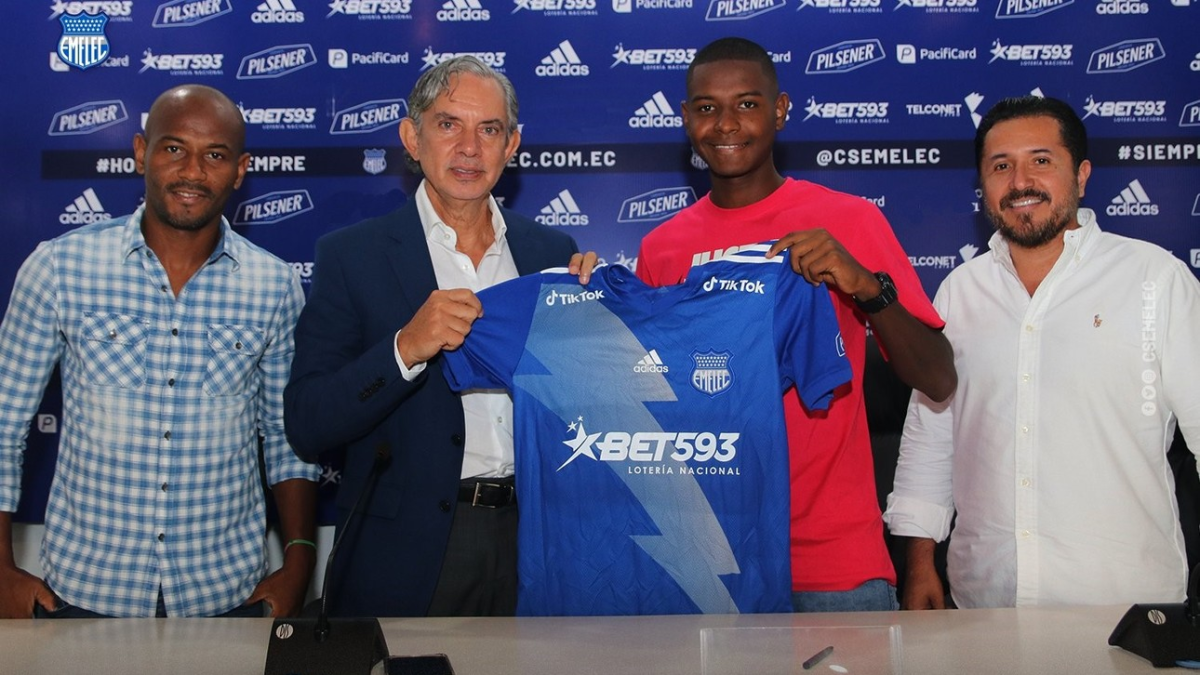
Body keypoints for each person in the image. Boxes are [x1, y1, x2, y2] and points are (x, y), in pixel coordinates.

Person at [635, 37, 956, 612]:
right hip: (710, 560)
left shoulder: (849, 220)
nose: (726, 124)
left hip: (833, 563)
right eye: (707, 107)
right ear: (685, 118)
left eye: (747, 104)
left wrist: (866, 287)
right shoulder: (662, 248)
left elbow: (937, 377)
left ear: (781, 110)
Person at [0, 84, 318, 619]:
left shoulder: (274, 285)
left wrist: (300, 561)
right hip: (84, 594)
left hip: (228, 597)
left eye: (214, 155)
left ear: (239, 171)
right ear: (140, 152)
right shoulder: (59, 268)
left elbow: (288, 438)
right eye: (174, 149)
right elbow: (3, 422)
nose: (193, 171)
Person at [284, 56, 580, 617]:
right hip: (411, 551)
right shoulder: (352, 255)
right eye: (448, 124)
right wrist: (404, 350)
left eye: (488, 129)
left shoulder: (552, 253)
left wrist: (596, 312)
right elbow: (308, 420)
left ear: (512, 145)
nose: (469, 148)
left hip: (539, 538)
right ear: (411, 138)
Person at [884, 96, 1200, 609]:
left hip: (1126, 608)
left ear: (1081, 176)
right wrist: (919, 565)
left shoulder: (1155, 280)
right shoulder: (959, 292)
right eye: (1001, 166)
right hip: (985, 604)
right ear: (983, 185)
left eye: (1041, 161)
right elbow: (931, 440)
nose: (1020, 182)